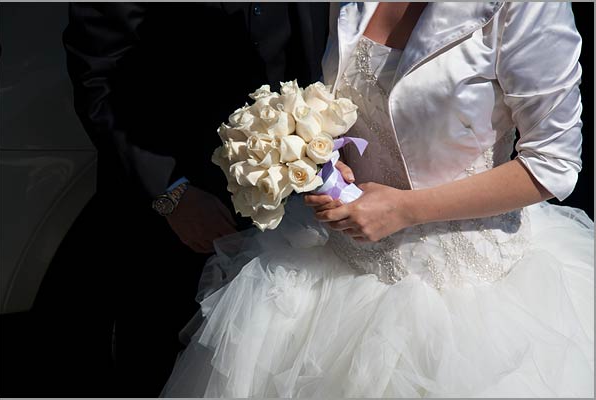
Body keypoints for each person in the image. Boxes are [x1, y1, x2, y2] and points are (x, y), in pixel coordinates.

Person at [161, 2, 593, 397]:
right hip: (337, 274)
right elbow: (359, 108)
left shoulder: (527, 7)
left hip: (470, 294)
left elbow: (552, 165)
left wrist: (404, 209)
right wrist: (329, 159)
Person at [61, 3, 329, 396]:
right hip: (177, 217)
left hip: (294, 217)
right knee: (162, 368)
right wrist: (173, 194)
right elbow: (96, 80)